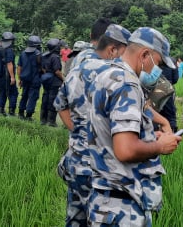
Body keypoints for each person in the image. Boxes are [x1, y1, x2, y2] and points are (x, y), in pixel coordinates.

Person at [86, 27, 182, 226]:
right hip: (121, 205)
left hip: (104, 200)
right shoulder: (127, 85)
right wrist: (160, 146)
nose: (158, 70)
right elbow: (126, 149)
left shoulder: (107, 74)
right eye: (159, 63)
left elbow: (114, 132)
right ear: (145, 54)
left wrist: (150, 135)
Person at [55, 24, 131, 226]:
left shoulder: (76, 70)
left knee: (75, 217)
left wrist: (77, 130)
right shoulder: (116, 75)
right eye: (125, 52)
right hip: (101, 167)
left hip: (76, 161)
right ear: (113, 49)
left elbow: (60, 105)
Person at [17, 35, 43, 120]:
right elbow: (42, 68)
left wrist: (20, 78)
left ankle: (20, 113)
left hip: (24, 79)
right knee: (33, 97)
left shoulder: (23, 53)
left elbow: (19, 67)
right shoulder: (38, 54)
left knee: (24, 95)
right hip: (35, 79)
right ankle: (28, 115)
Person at [40, 38, 64, 126]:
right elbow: (57, 71)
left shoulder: (44, 56)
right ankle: (51, 121)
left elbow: (42, 68)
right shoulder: (55, 57)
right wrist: (64, 79)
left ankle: (43, 119)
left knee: (45, 98)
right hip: (54, 81)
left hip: (46, 80)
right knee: (52, 100)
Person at [0, 32, 18, 116]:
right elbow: (9, 63)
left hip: (1, 74)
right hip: (7, 75)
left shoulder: (0, 49)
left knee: (2, 92)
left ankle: (0, 109)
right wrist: (12, 77)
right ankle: (11, 110)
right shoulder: (9, 50)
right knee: (13, 93)